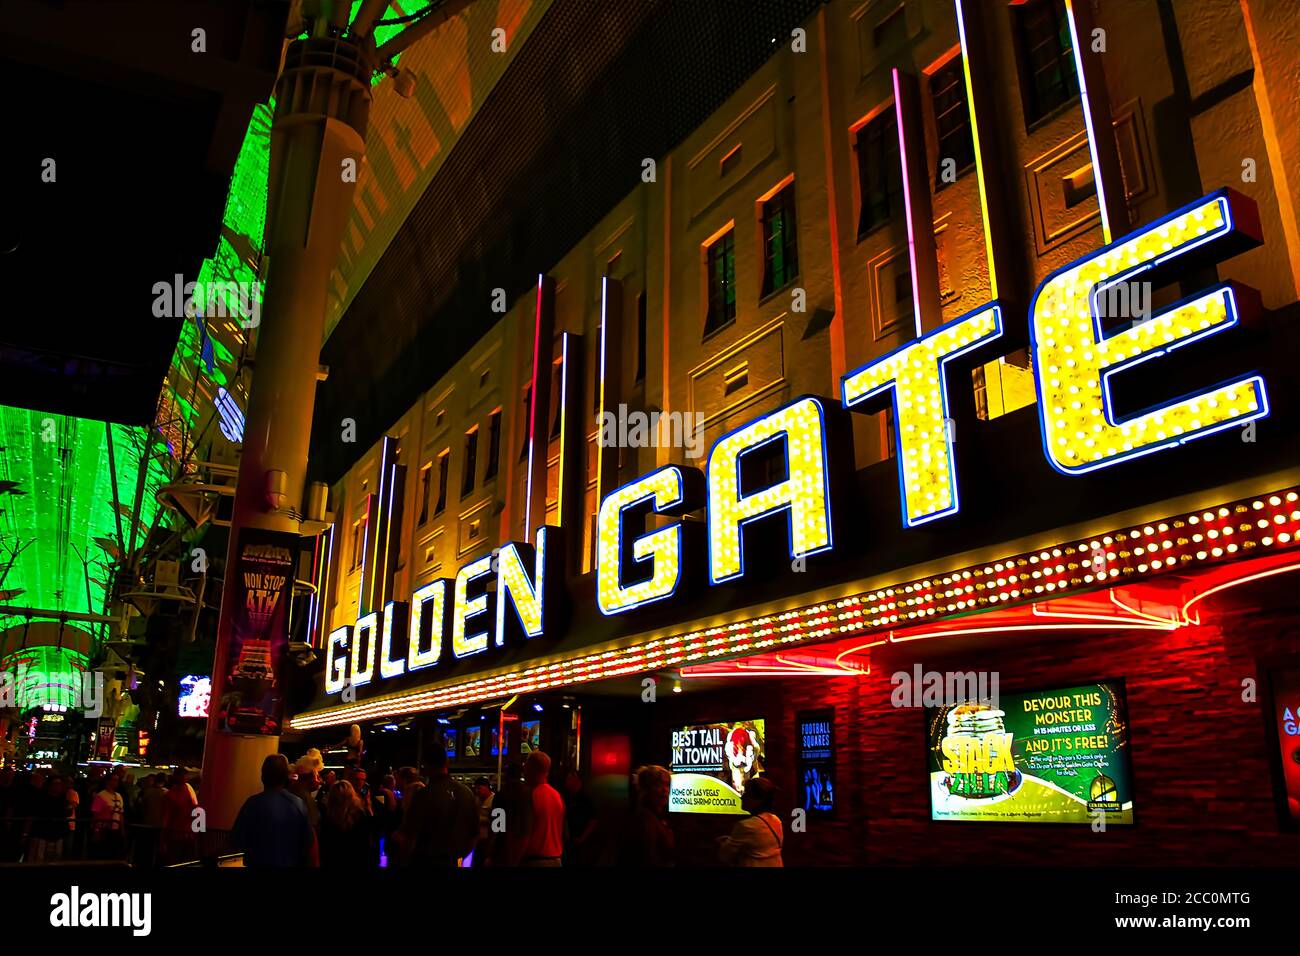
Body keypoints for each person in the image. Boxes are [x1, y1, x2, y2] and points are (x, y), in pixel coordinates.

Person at [393, 749, 477, 867]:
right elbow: (473, 835)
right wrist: (458, 855)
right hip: (452, 861)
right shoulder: (466, 793)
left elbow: (410, 837)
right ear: (446, 762)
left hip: (425, 861)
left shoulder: (423, 795)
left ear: (425, 765)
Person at [231, 755, 318, 867]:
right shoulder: (298, 804)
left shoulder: (253, 804)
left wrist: (211, 857)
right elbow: (309, 844)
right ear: (285, 777)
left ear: (263, 776)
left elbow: (234, 842)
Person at [717, 776, 783, 867]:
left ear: (758, 800)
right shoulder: (776, 821)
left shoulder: (745, 826)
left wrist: (722, 843)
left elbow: (725, 856)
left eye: (747, 793)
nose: (742, 797)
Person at [620, 765, 674, 867]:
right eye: (658, 784)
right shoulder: (644, 819)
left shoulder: (656, 816)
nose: (665, 790)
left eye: (668, 785)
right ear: (646, 788)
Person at [521, 751, 565, 867]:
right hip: (556, 859)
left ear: (530, 768)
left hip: (533, 860)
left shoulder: (530, 795)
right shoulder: (557, 795)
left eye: (525, 765)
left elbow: (524, 833)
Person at [318, 780, 376, 867]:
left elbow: (325, 843)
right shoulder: (360, 814)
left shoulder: (326, 815)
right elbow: (368, 838)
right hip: (357, 859)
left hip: (334, 860)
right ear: (352, 795)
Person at [489, 760, 532, 866]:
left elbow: (497, 827)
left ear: (507, 775)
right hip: (526, 850)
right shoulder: (529, 793)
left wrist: (490, 854)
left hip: (503, 849)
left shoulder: (501, 795)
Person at [26, 775, 68, 863]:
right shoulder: (40, 797)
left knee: (55, 858)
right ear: (49, 785)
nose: (58, 786)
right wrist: (26, 832)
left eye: (60, 784)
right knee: (38, 858)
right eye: (55, 784)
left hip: (57, 834)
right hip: (41, 833)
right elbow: (33, 814)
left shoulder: (63, 800)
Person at [161, 768, 199, 865]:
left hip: (178, 833)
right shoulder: (188, 791)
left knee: (176, 860)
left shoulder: (171, 794)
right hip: (185, 833)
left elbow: (166, 817)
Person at [562, 769, 597, 866]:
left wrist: (582, 838)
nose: (566, 781)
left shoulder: (585, 797)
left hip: (581, 844)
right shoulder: (568, 797)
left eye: (569, 778)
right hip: (570, 842)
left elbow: (593, 820)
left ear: (577, 780)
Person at [90, 771, 126, 860]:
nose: (116, 782)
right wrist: (96, 830)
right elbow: (96, 814)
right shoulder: (101, 796)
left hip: (115, 829)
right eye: (114, 780)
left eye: (117, 780)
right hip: (104, 829)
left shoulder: (119, 796)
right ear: (108, 781)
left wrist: (122, 829)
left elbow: (121, 814)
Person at [290, 754, 322, 832]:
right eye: (317, 775)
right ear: (310, 776)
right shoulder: (305, 798)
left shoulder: (293, 790)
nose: (319, 780)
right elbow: (313, 826)